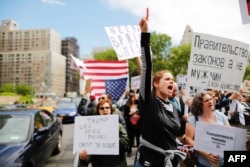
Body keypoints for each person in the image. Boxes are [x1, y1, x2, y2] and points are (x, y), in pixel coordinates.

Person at [134, 8, 186, 167]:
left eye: (172, 79)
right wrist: (145, 34)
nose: (172, 81)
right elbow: (147, 66)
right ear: (155, 83)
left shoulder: (174, 107)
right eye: (167, 79)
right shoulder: (148, 101)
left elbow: (176, 134)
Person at [78, 99, 129, 167]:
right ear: (98, 111)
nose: (105, 110)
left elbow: (126, 145)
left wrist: (112, 139)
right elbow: (90, 152)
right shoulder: (93, 129)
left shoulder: (118, 126)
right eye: (102, 108)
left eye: (107, 108)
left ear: (111, 110)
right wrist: (83, 158)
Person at [185, 91, 230, 167]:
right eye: (206, 100)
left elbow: (230, 135)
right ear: (199, 104)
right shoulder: (193, 119)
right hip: (204, 163)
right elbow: (188, 139)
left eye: (211, 99)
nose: (210, 101)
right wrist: (206, 154)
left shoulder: (221, 115)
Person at [123, 89, 141, 157]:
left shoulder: (139, 105)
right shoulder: (127, 106)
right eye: (132, 97)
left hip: (138, 124)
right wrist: (130, 113)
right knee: (130, 138)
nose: (134, 98)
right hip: (130, 124)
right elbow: (125, 115)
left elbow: (142, 112)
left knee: (139, 138)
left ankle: (139, 152)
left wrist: (136, 112)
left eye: (135, 97)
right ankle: (129, 151)